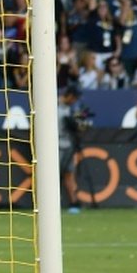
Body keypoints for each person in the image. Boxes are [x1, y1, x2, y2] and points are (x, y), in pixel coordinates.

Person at [57, 86, 84, 214]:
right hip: (55, 146)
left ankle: (74, 202)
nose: (74, 101)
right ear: (69, 96)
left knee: (69, 173)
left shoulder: (68, 108)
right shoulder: (54, 105)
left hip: (68, 145)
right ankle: (50, 203)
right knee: (53, 175)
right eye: (74, 98)